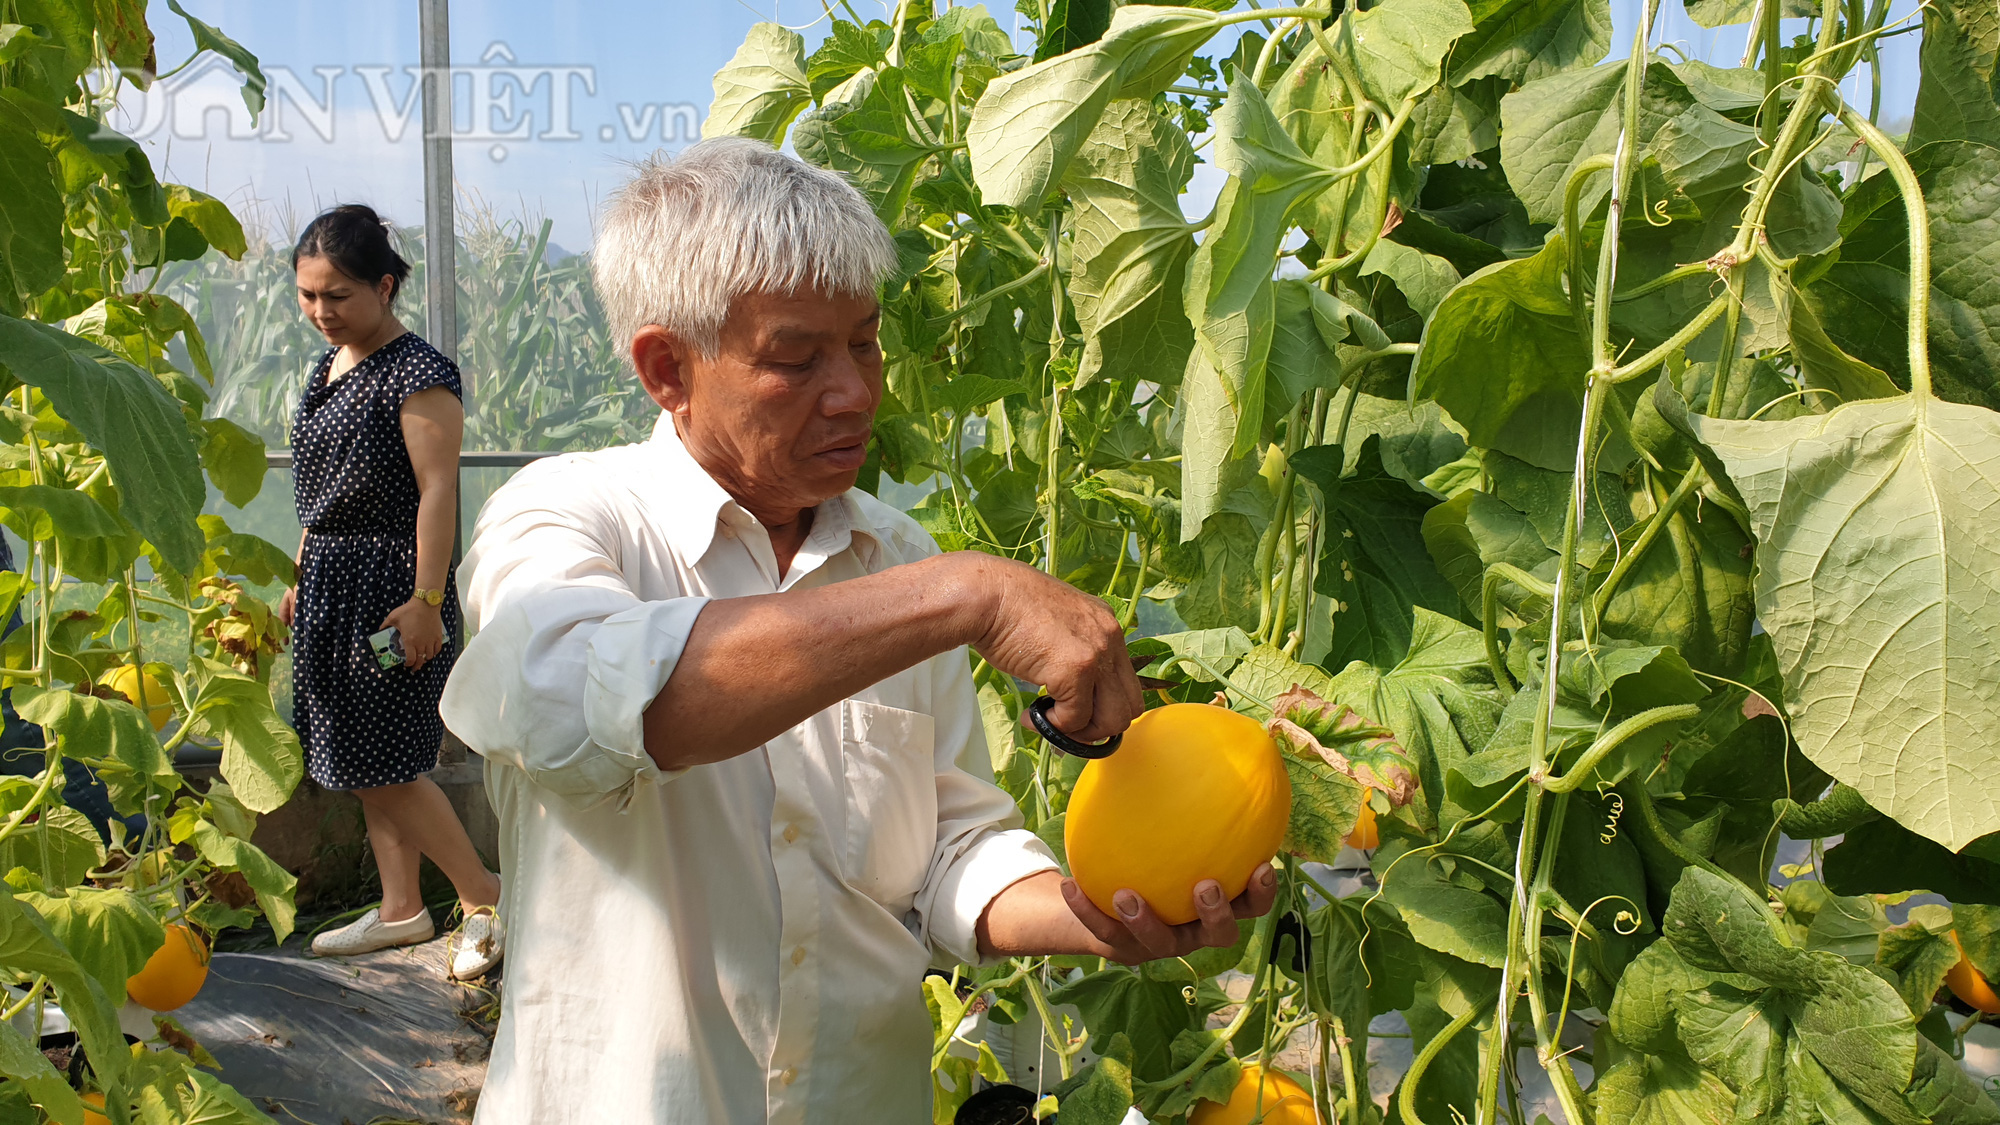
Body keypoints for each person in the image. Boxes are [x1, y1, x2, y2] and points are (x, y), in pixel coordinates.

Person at [441, 138, 1276, 1122]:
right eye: (794, 358)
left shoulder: (894, 555)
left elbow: (949, 843)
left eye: (865, 342)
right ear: (668, 367)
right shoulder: (566, 518)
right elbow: (581, 706)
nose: (854, 391)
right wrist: (971, 592)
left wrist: (1093, 913)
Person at [278, 205, 503, 981]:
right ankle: (402, 908)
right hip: (332, 588)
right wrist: (301, 577)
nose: (320, 312)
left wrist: (425, 600)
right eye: (308, 295)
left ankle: (484, 897)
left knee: (381, 762)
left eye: (336, 295)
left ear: (384, 284)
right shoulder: (329, 365)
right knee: (353, 752)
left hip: (389, 592)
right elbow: (323, 492)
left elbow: (438, 492)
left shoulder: (418, 372)